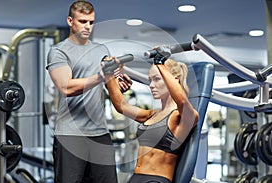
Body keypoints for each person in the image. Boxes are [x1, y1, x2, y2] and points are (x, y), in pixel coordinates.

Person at [46, 1, 132, 182]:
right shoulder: (59, 51)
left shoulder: (101, 50)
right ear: (70, 21)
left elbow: (110, 83)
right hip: (70, 135)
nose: (88, 26)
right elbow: (66, 87)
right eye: (83, 21)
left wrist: (118, 82)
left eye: (91, 22)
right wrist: (101, 76)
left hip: (100, 133)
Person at [103, 55, 199, 183]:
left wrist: (160, 63)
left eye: (157, 79)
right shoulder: (152, 115)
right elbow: (122, 106)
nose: (151, 85)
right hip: (135, 178)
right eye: (150, 80)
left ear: (173, 80)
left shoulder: (183, 117)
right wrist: (109, 74)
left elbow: (181, 101)